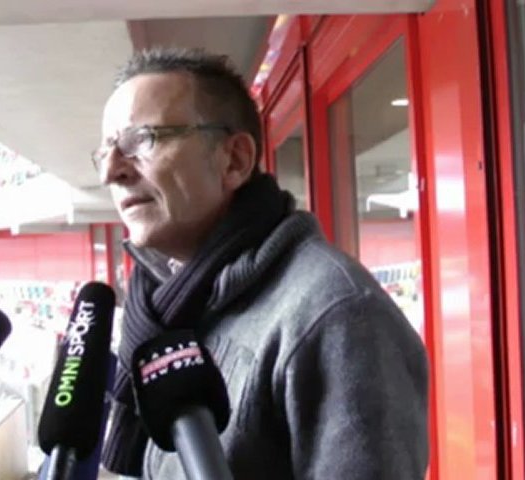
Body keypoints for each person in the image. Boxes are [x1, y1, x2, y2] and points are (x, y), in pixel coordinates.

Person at [95, 47, 428, 480]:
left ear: (234, 160)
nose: (111, 172)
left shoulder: (338, 313)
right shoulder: (161, 310)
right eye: (106, 151)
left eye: (142, 140)